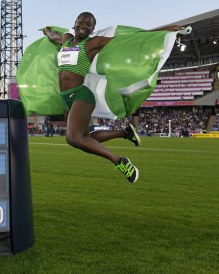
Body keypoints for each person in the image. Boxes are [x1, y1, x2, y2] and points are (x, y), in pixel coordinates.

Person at [43, 12, 181, 183]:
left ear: (93, 28)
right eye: (81, 22)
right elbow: (52, 37)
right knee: (85, 139)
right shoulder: (65, 40)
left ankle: (120, 161)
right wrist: (47, 30)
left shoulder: (92, 43)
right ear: (75, 23)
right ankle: (124, 132)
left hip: (81, 95)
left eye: (88, 24)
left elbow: (130, 38)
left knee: (73, 138)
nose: (83, 26)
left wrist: (166, 31)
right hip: (65, 97)